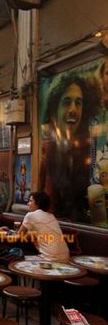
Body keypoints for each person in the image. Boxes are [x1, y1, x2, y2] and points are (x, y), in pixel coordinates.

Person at [40, 72, 102, 220]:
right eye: (67, 102)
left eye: (78, 103)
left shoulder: (93, 150)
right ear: (54, 111)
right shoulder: (47, 152)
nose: (73, 109)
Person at [17, 191, 70, 262]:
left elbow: (19, 236)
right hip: (66, 257)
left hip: (50, 259)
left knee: (17, 258)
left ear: (37, 204)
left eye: (30, 201)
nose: (28, 203)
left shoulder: (30, 215)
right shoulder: (51, 216)